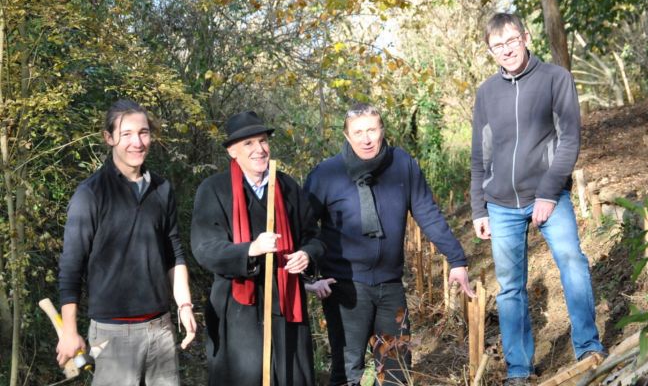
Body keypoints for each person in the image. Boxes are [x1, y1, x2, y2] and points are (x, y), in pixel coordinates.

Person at [470, 13, 605, 385]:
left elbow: (569, 140)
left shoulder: (554, 79)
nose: (506, 50)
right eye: (497, 46)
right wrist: (478, 207)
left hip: (548, 196)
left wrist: (548, 192)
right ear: (490, 50)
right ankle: (519, 368)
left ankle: (588, 347)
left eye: (512, 41)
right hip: (500, 204)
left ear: (525, 37)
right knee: (510, 287)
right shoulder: (486, 93)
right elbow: (480, 156)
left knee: (572, 263)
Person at [304, 103, 474, 386]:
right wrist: (309, 278)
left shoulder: (402, 164)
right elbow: (303, 229)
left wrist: (456, 259)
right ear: (347, 137)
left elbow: (428, 213)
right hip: (345, 287)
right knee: (348, 372)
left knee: (397, 370)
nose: (366, 139)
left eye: (372, 130)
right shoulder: (326, 174)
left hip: (390, 286)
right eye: (358, 132)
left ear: (382, 130)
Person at [57, 99, 196, 386]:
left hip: (161, 330)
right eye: (127, 134)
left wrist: (184, 305)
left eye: (143, 132)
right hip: (112, 336)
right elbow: (71, 268)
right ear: (109, 138)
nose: (137, 142)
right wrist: (69, 332)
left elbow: (174, 253)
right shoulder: (90, 195)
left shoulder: (162, 189)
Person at [190, 110, 324, 385]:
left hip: (287, 302)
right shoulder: (214, 189)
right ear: (232, 152)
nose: (259, 149)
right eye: (248, 144)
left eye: (262, 141)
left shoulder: (286, 186)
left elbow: (314, 237)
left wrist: (306, 254)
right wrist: (250, 250)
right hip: (238, 307)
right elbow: (205, 248)